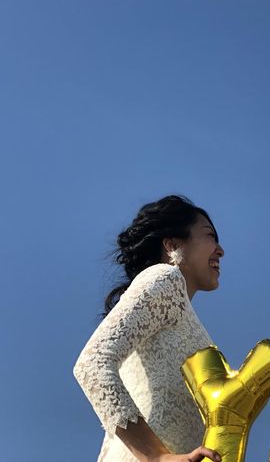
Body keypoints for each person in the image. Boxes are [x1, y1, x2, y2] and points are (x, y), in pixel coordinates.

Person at [74, 195, 224, 462]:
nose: (220, 250)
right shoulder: (165, 277)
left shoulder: (187, 318)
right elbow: (92, 363)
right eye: (210, 236)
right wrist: (155, 456)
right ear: (172, 245)